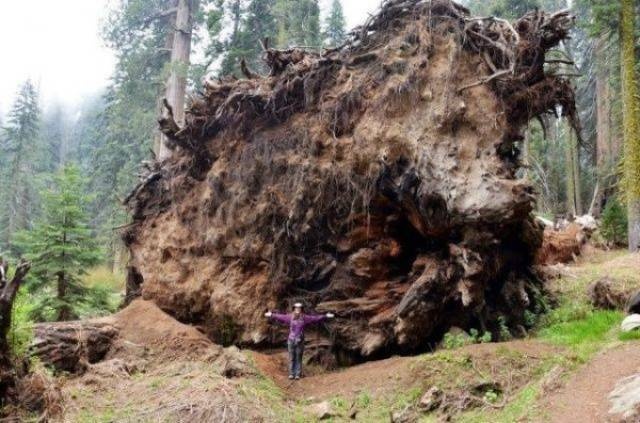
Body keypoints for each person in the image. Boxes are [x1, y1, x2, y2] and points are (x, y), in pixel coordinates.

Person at [265, 302, 334, 380]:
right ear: (294, 309)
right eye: (296, 308)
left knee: (298, 357)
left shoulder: (304, 318)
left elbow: (315, 318)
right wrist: (271, 314)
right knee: (291, 357)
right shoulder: (290, 317)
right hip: (291, 341)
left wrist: (325, 316)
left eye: (299, 308)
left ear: (301, 309)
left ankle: (298, 374)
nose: (298, 309)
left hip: (300, 341)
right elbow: (280, 316)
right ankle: (291, 374)